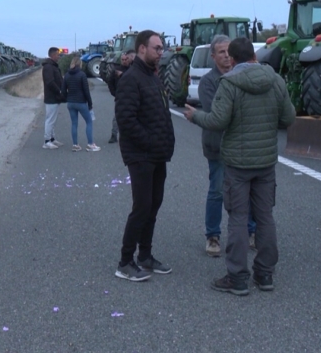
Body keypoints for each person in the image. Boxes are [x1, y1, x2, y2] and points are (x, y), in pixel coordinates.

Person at [184, 37, 295, 295]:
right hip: (266, 161)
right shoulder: (275, 80)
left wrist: (195, 116)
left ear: (232, 59)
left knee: (238, 218)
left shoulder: (230, 82)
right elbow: (288, 117)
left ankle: (237, 277)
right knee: (265, 217)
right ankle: (265, 274)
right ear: (254, 56)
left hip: (237, 163)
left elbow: (218, 120)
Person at [114, 31, 176, 282]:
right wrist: (150, 142)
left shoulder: (152, 77)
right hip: (141, 155)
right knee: (141, 208)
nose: (161, 52)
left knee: (153, 206)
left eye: (162, 48)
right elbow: (126, 120)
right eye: (157, 48)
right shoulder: (131, 79)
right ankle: (125, 261)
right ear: (142, 49)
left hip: (157, 154)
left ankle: (145, 256)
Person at [196, 36, 256, 257]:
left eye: (229, 51)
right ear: (213, 56)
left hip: (241, 146)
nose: (226, 56)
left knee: (247, 190)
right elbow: (217, 113)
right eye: (221, 52)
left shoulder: (243, 76)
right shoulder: (209, 82)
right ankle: (212, 235)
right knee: (217, 191)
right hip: (218, 146)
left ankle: (251, 231)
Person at [64, 57, 98, 152]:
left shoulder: (67, 75)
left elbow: (63, 91)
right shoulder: (82, 75)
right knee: (89, 122)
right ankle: (90, 144)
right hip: (81, 102)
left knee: (74, 123)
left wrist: (68, 97)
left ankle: (75, 145)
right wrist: (90, 104)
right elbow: (86, 91)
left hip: (70, 103)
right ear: (80, 64)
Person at [104, 50, 136, 144]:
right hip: (120, 98)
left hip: (131, 97)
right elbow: (110, 83)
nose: (124, 61)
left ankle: (129, 136)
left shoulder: (133, 70)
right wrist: (114, 93)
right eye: (123, 59)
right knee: (117, 117)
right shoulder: (116, 70)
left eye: (126, 59)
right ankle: (114, 135)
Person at [41, 47, 65, 149]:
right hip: (51, 97)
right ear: (52, 55)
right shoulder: (48, 67)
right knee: (50, 119)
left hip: (55, 97)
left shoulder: (53, 66)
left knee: (52, 119)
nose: (59, 57)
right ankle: (47, 141)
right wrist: (59, 91)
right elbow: (50, 82)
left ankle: (52, 139)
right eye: (57, 55)